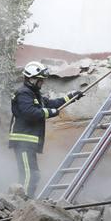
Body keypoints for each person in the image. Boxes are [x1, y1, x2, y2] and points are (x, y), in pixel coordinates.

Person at [9, 62, 83, 197]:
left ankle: (27, 201)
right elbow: (30, 112)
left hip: (29, 143)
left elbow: (52, 103)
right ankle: (21, 204)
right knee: (29, 175)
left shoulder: (34, 94)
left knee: (34, 176)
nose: (42, 82)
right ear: (32, 79)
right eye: (40, 79)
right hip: (23, 142)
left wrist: (71, 97)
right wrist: (52, 112)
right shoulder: (23, 93)